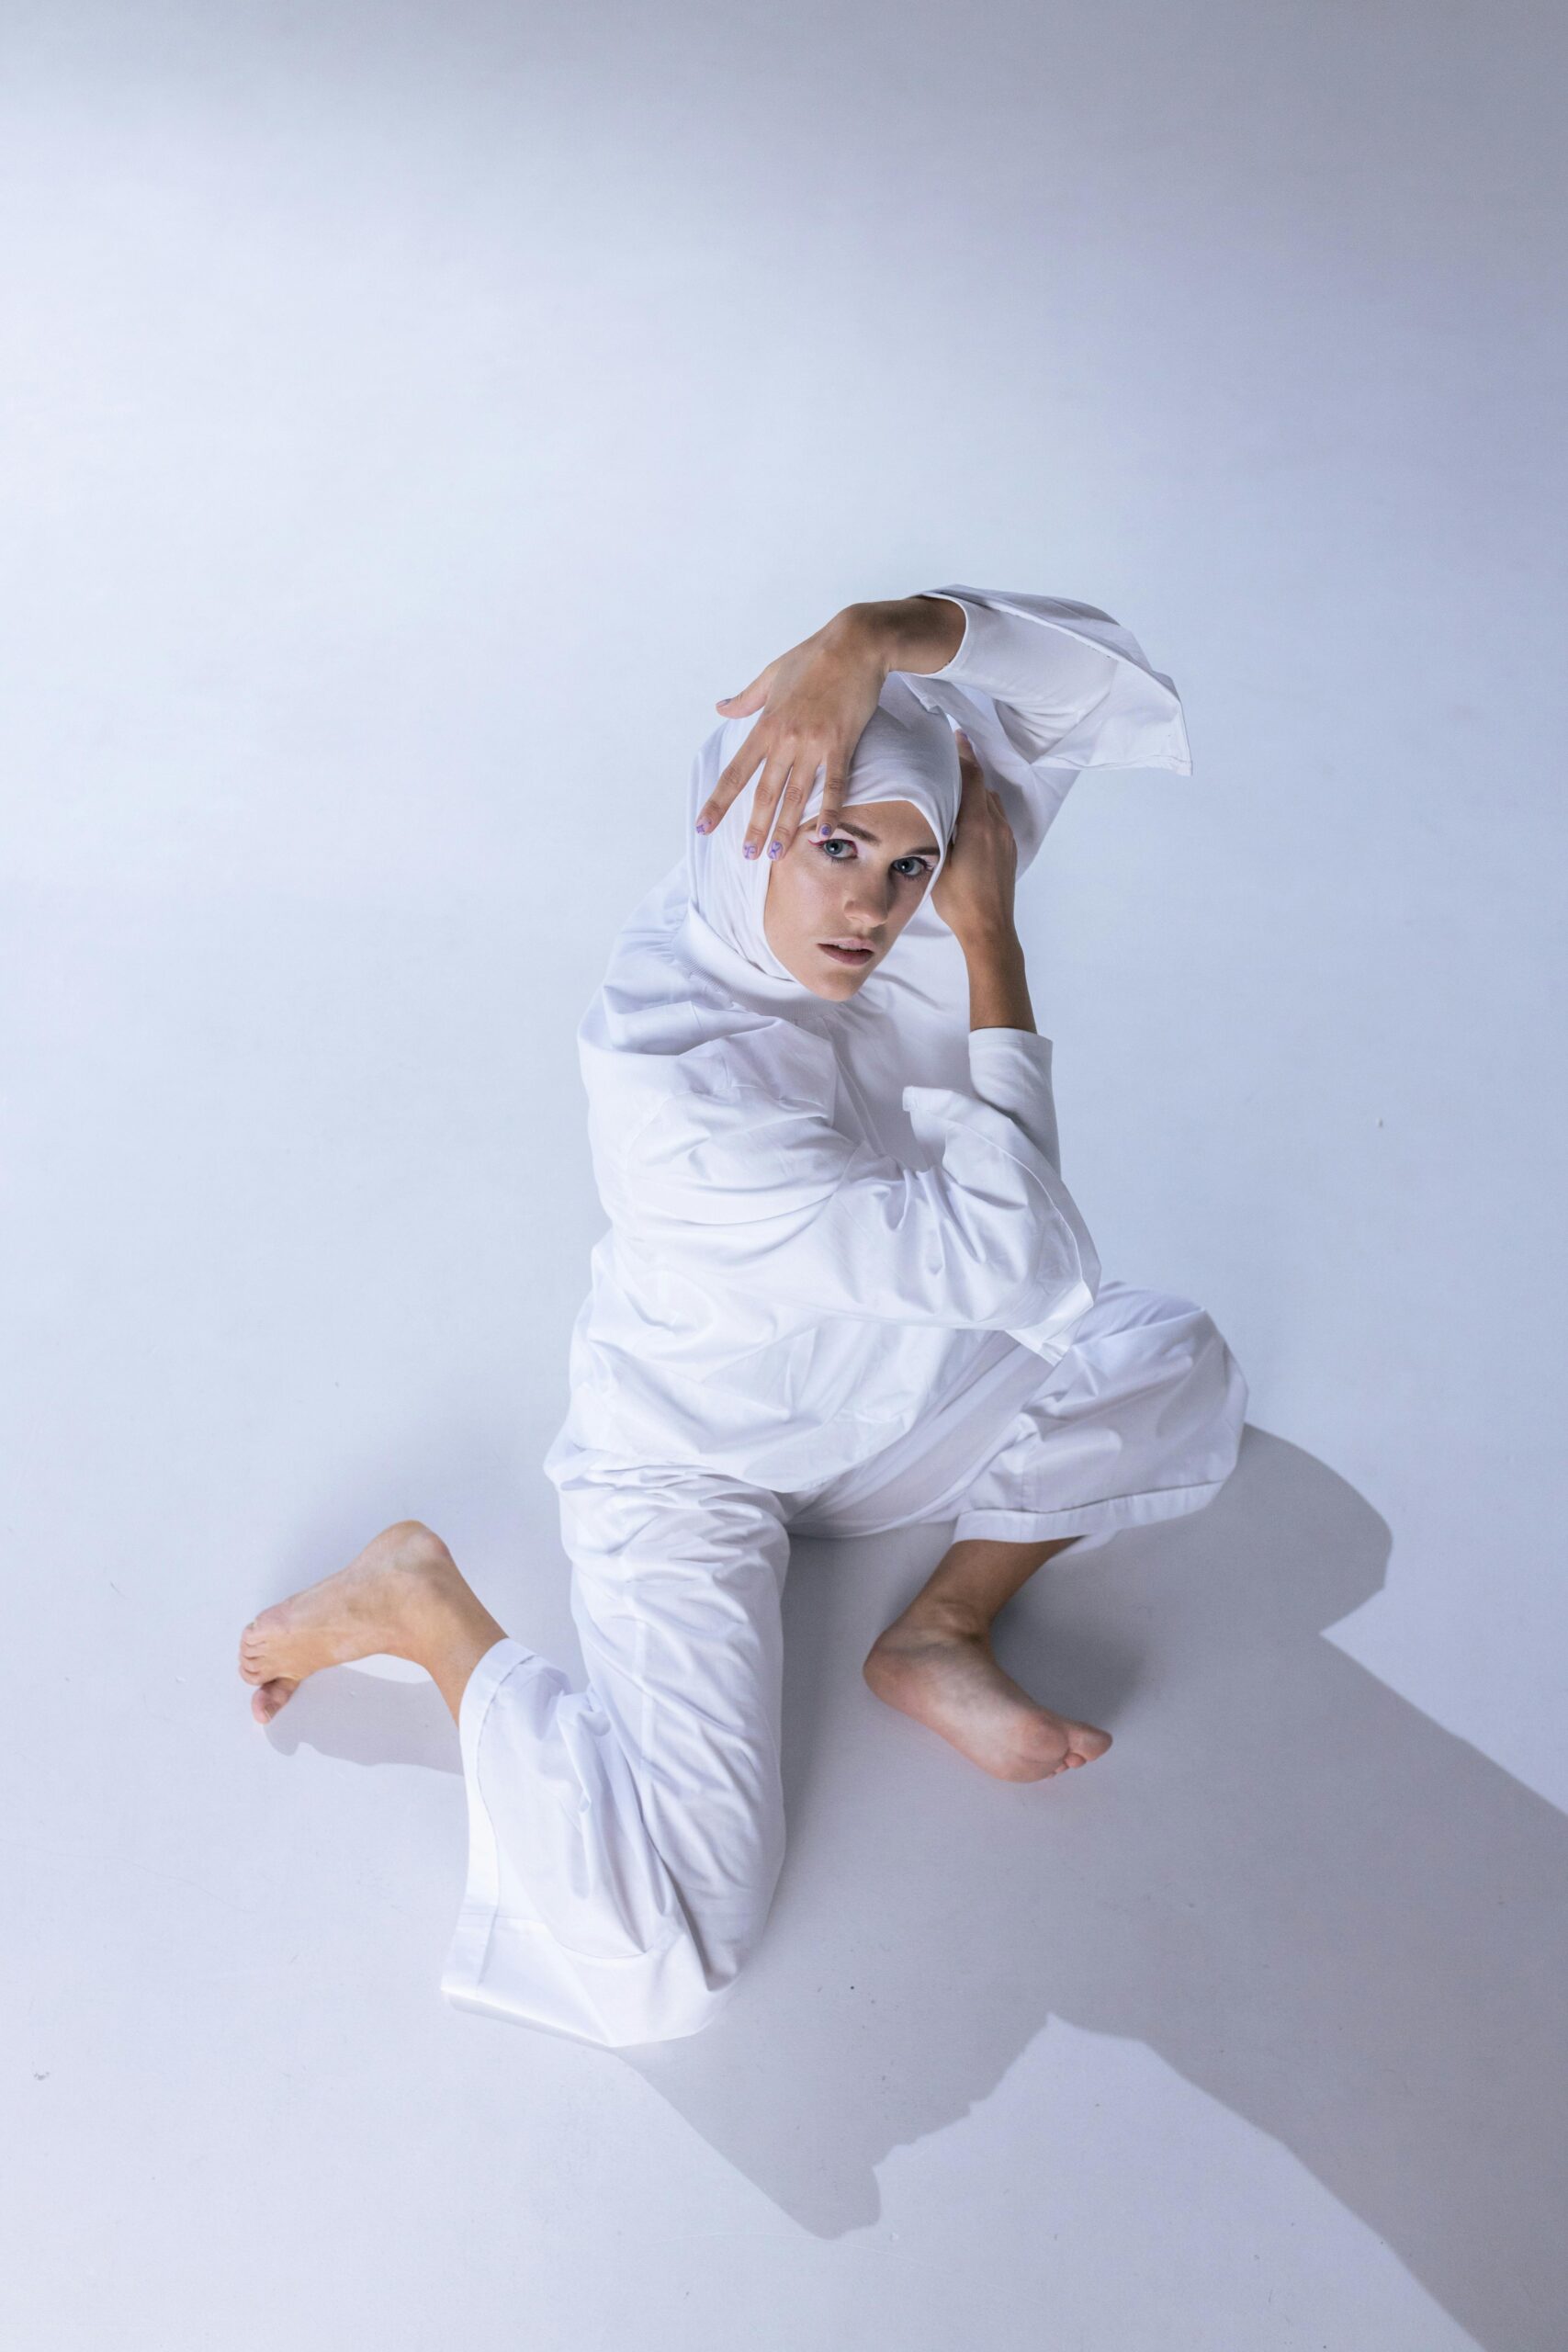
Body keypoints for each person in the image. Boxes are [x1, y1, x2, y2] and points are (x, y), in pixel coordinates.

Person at [238, 584, 1248, 2050]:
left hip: (888, 1395)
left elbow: (1085, 676)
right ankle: (422, 1609)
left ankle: (939, 1629)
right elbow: (1023, 1260)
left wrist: (879, 633)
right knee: (669, 1963)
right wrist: (989, 940)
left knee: (1177, 1356)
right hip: (694, 1467)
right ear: (743, 814)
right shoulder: (680, 1092)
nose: (872, 908)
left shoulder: (887, 879)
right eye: (834, 847)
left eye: (909, 866)